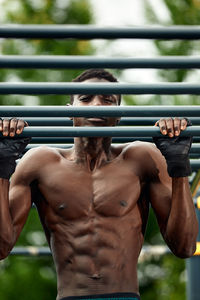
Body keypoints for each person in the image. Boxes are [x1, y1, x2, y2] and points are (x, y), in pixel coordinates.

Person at [0, 69, 198, 300]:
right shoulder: (40, 163)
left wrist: (179, 166)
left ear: (119, 114)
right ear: (69, 111)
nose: (96, 105)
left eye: (107, 100)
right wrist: (2, 167)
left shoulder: (141, 159)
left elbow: (184, 247)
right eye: (85, 99)